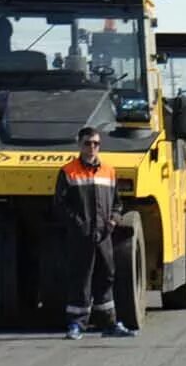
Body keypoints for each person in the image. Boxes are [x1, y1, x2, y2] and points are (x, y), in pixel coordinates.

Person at [54, 126, 131, 340]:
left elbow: (117, 203)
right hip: (81, 235)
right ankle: (76, 324)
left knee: (106, 275)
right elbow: (60, 204)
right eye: (88, 143)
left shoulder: (109, 171)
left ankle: (108, 323)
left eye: (96, 143)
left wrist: (113, 221)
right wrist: (78, 224)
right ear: (79, 144)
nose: (92, 147)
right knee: (81, 277)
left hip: (104, 234)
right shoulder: (68, 171)